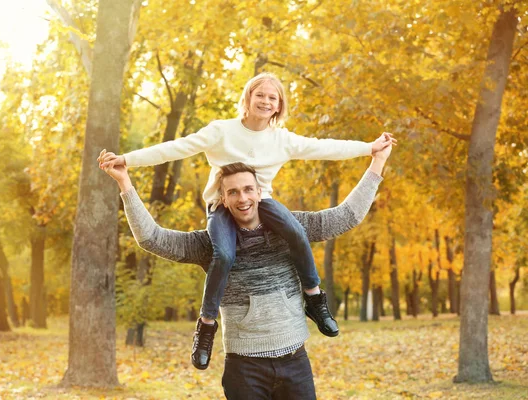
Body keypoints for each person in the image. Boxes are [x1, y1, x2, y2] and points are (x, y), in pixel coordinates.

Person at [99, 72, 396, 369]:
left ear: (279, 105)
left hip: (263, 202)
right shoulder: (221, 131)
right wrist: (127, 160)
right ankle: (206, 325)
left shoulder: (282, 140)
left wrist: (370, 149)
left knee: (295, 230)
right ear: (248, 99)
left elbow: (326, 148)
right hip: (221, 206)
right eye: (260, 95)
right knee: (224, 253)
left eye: (272, 97)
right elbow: (174, 149)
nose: (266, 101)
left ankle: (315, 300)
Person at [101, 142, 391, 399]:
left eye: (248, 189)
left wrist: (377, 163)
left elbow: (346, 216)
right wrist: (125, 183)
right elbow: (152, 238)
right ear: (223, 200)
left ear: (260, 192)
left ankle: (317, 304)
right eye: (234, 192)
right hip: (244, 368)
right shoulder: (211, 243)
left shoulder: (290, 228)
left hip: (295, 362)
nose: (243, 198)